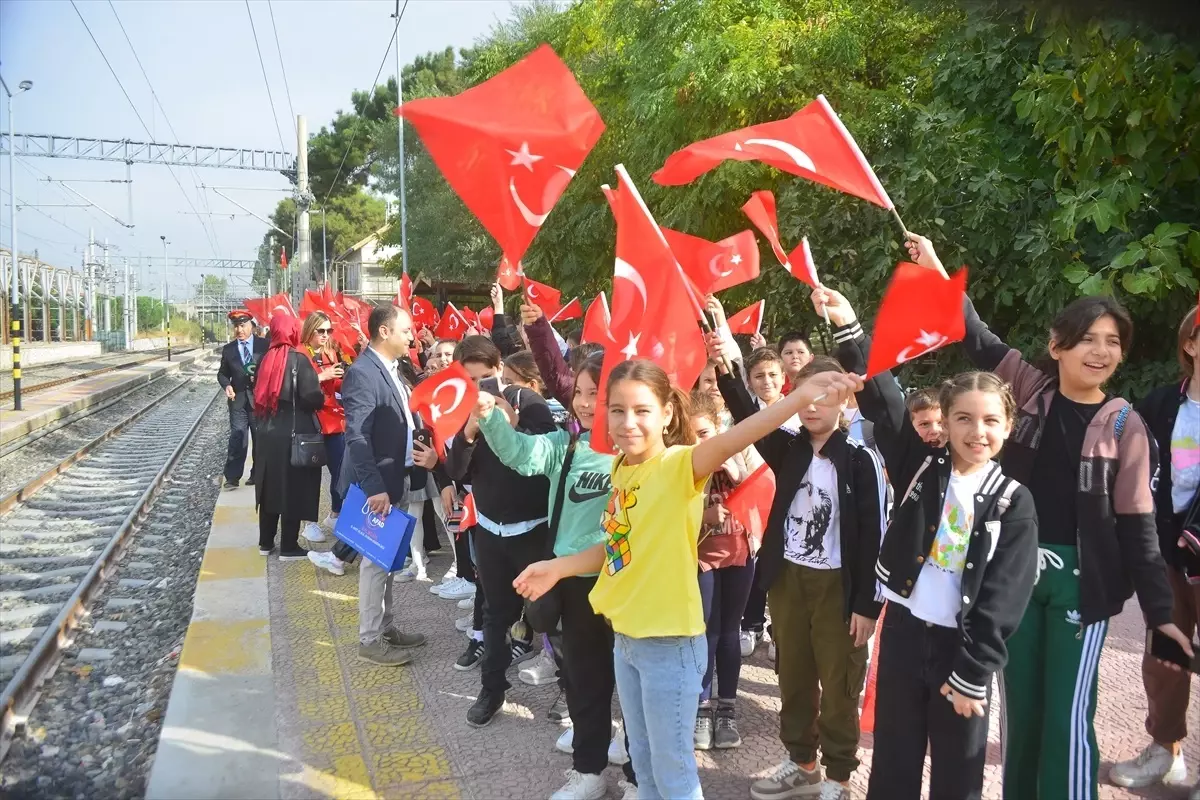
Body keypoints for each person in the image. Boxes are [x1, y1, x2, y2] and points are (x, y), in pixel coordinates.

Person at [904, 232, 1190, 799]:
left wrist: (1161, 613)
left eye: (1112, 341)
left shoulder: (1123, 425)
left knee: (1066, 718)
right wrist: (939, 270)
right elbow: (977, 338)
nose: (1100, 351)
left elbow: (1140, 527)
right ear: (1057, 346)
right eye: (1086, 339)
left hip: (1081, 589)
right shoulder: (1029, 390)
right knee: (1022, 718)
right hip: (1015, 576)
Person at [513, 359, 864, 800]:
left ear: (666, 414)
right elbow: (620, 545)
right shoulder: (623, 468)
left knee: (674, 773)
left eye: (642, 410)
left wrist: (797, 397)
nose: (627, 422)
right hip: (627, 641)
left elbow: (744, 432)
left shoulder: (678, 466)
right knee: (643, 759)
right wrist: (559, 567)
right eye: (617, 410)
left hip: (668, 647)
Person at [818, 286, 1038, 800]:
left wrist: (973, 670)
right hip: (905, 636)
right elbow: (884, 396)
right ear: (945, 421)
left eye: (989, 421)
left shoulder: (1013, 499)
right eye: (963, 418)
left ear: (1009, 425)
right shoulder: (920, 464)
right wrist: (850, 327)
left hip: (962, 649)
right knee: (894, 754)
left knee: (958, 768)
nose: (975, 431)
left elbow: (1004, 598)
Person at [710, 335, 886, 798]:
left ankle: (838, 776)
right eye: (804, 396)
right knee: (794, 678)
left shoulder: (861, 459)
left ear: (846, 400)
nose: (812, 407)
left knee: (840, 683)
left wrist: (868, 604)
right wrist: (726, 364)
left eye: (825, 396)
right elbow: (749, 416)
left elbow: (875, 537)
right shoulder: (789, 449)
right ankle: (802, 764)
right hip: (788, 581)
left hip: (839, 589)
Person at [476, 352, 628, 800]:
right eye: (579, 393)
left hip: (628, 582)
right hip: (575, 583)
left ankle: (639, 773)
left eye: (595, 395)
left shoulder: (639, 457)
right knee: (584, 677)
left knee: (637, 683)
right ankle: (590, 770)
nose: (583, 404)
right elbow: (520, 454)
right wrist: (491, 420)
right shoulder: (566, 446)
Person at [1110, 304, 1200, 798]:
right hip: (1169, 557)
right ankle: (1166, 753)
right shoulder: (1164, 404)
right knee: (1165, 656)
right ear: (1190, 344)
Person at [445, 335, 557, 727]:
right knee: (494, 616)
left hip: (533, 531)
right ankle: (491, 690)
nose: (480, 389)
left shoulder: (529, 401)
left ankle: (568, 689)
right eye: (469, 381)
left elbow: (549, 454)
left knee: (550, 614)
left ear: (500, 371)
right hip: (491, 531)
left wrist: (511, 421)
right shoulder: (464, 412)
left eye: (486, 378)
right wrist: (471, 432)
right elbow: (455, 469)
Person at [335, 304, 428, 667]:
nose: (412, 336)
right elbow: (357, 436)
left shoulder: (392, 369)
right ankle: (370, 640)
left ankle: (386, 627)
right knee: (375, 562)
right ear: (384, 332)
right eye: (406, 330)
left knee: (388, 558)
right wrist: (375, 488)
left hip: (398, 478)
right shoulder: (362, 373)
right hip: (380, 486)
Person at [688, 391, 764, 752]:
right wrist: (703, 509)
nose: (699, 442)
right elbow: (673, 506)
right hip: (700, 557)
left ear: (718, 428)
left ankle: (727, 710)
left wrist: (736, 471)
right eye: (692, 436)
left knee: (730, 632)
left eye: (704, 434)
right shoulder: (683, 461)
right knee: (706, 631)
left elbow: (764, 489)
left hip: (740, 553)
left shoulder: (741, 447)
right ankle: (702, 708)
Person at [250, 313, 325, 561]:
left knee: (269, 485)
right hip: (294, 433)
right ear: (292, 331)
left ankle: (265, 542)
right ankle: (289, 547)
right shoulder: (299, 360)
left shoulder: (264, 359)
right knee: (293, 487)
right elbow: (312, 397)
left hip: (266, 433)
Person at [298, 312, 349, 544]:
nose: (326, 335)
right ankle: (309, 523)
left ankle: (336, 514)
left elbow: (335, 383)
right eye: (322, 331)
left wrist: (344, 377)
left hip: (334, 422)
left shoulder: (329, 351)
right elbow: (295, 385)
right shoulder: (299, 353)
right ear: (310, 330)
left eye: (329, 331)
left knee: (341, 471)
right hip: (311, 422)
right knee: (310, 476)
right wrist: (322, 375)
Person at [218, 310, 267, 489]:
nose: (239, 329)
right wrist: (227, 385)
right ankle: (232, 477)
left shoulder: (264, 346)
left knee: (260, 438)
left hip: (259, 400)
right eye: (236, 326)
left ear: (252, 326)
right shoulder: (229, 349)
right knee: (238, 436)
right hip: (237, 400)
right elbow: (222, 373)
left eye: (243, 325)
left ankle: (257, 474)